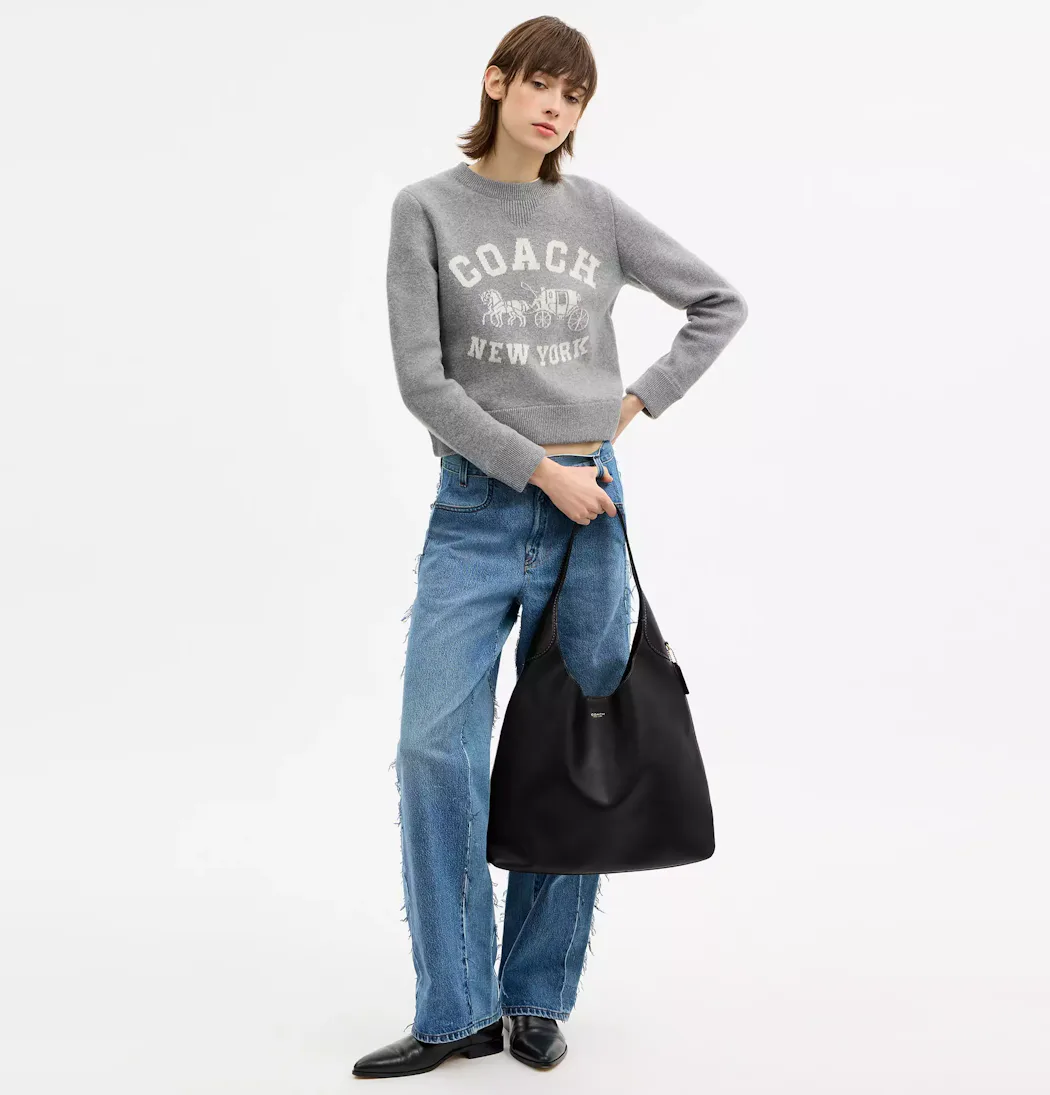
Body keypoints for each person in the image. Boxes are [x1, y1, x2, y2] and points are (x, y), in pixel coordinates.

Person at [353, 15, 748, 1080]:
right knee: (435, 749)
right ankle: (454, 1008)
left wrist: (633, 405)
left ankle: (534, 998)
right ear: (497, 83)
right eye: (541, 85)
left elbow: (718, 303)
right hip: (479, 510)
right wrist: (539, 470)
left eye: (573, 97)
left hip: (593, 513)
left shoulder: (597, 212)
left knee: (571, 746)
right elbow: (424, 382)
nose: (555, 108)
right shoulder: (426, 208)